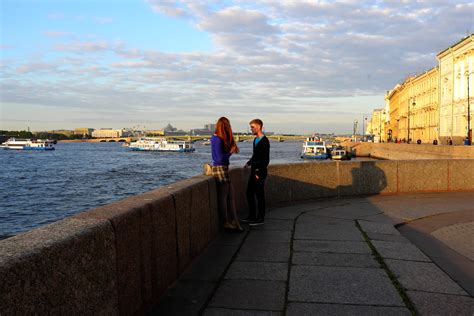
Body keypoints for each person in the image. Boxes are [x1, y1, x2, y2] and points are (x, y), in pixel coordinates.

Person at [211, 117, 243, 232]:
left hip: (223, 168)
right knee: (224, 197)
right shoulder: (217, 139)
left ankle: (233, 220)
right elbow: (219, 158)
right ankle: (225, 222)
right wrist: (230, 152)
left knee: (230, 196)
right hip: (220, 168)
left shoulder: (216, 138)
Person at [242, 119, 270, 226]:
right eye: (251, 127)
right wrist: (248, 163)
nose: (251, 129)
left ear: (259, 127)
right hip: (253, 171)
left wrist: (259, 172)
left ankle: (260, 218)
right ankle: (252, 216)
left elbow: (266, 159)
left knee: (259, 195)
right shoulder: (255, 140)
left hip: (259, 173)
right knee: (249, 193)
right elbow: (255, 156)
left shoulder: (265, 141)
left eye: (252, 127)